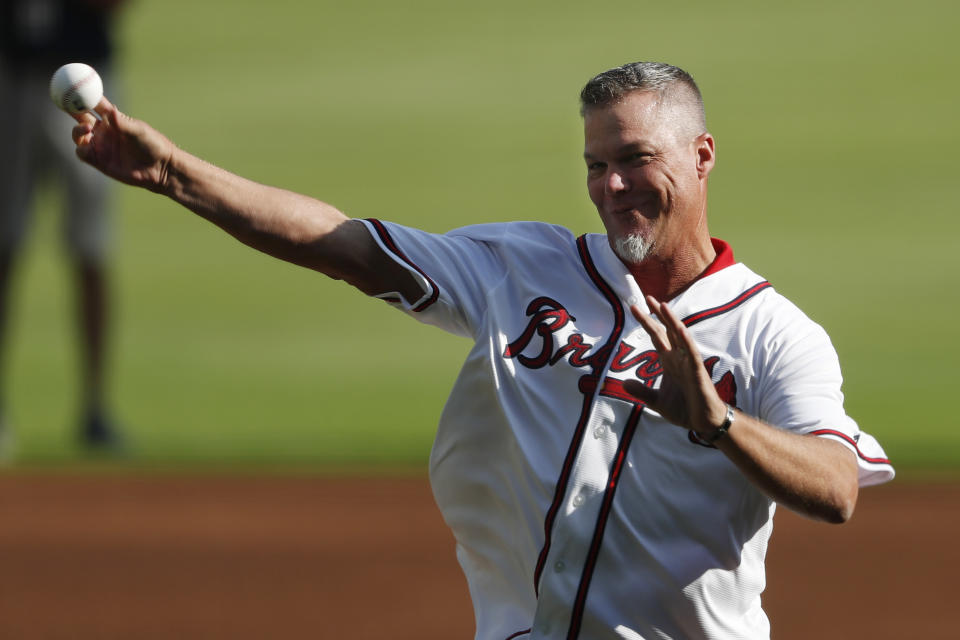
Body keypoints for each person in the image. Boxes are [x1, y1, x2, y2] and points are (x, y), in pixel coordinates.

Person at [66, 61, 894, 639]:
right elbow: (344, 245)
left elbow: (835, 487)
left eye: (637, 158)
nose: (613, 186)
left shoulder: (773, 334)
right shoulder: (523, 266)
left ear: (702, 156)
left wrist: (719, 425)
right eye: (596, 164)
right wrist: (175, 174)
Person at [0, 0, 129, 452]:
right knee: (4, 247)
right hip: (11, 77)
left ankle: (96, 411)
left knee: (91, 248)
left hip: (91, 83)